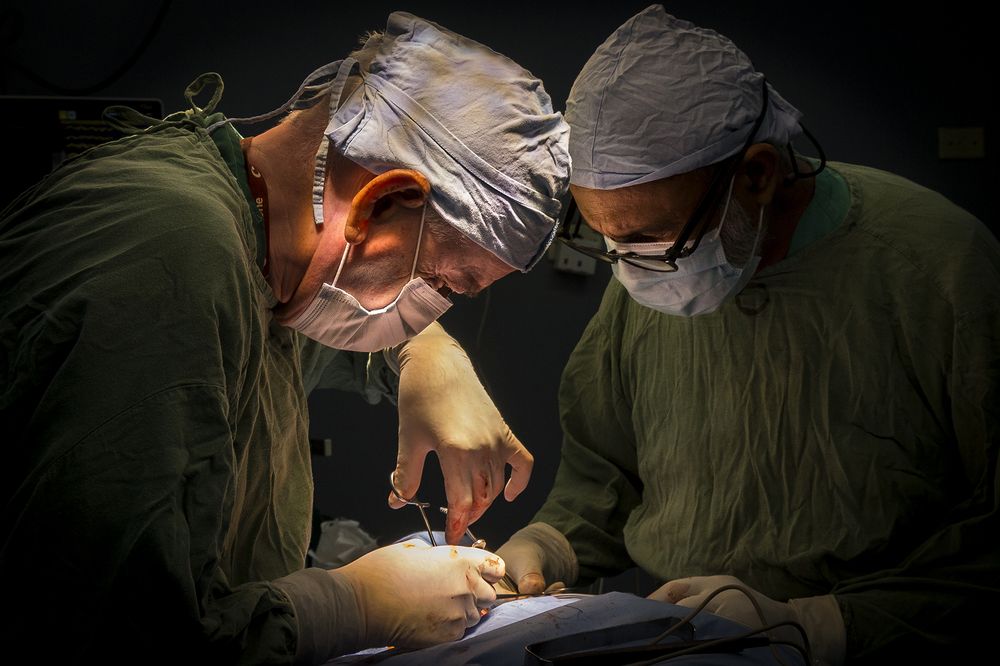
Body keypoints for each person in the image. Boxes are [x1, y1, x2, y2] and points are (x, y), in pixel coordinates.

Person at [0, 11, 570, 664]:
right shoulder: (168, 261)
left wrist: (430, 354)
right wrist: (351, 605)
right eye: (444, 282)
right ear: (379, 203)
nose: (429, 307)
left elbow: (308, 329)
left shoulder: (263, 250)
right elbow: (117, 636)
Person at [495, 5, 999, 665]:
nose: (631, 267)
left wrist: (822, 625)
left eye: (652, 238)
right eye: (609, 239)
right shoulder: (642, 285)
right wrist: (549, 544)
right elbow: (606, 474)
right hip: (683, 646)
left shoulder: (939, 270)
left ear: (757, 175)